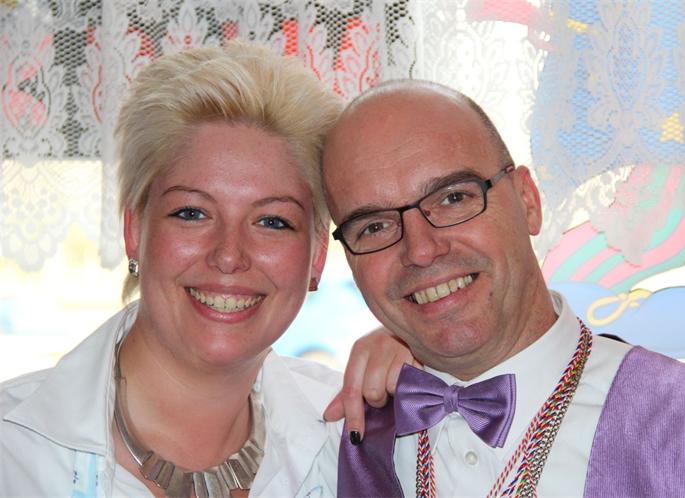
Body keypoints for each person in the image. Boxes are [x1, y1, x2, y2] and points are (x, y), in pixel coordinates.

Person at [0, 42, 412, 498]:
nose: (229, 255)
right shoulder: (13, 451)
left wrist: (438, 368)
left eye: (272, 221)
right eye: (192, 213)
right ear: (135, 230)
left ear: (317, 255)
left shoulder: (363, 442)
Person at [322, 79, 685, 497]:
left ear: (528, 200)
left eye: (453, 198)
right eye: (374, 226)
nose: (421, 250)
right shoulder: (329, 446)